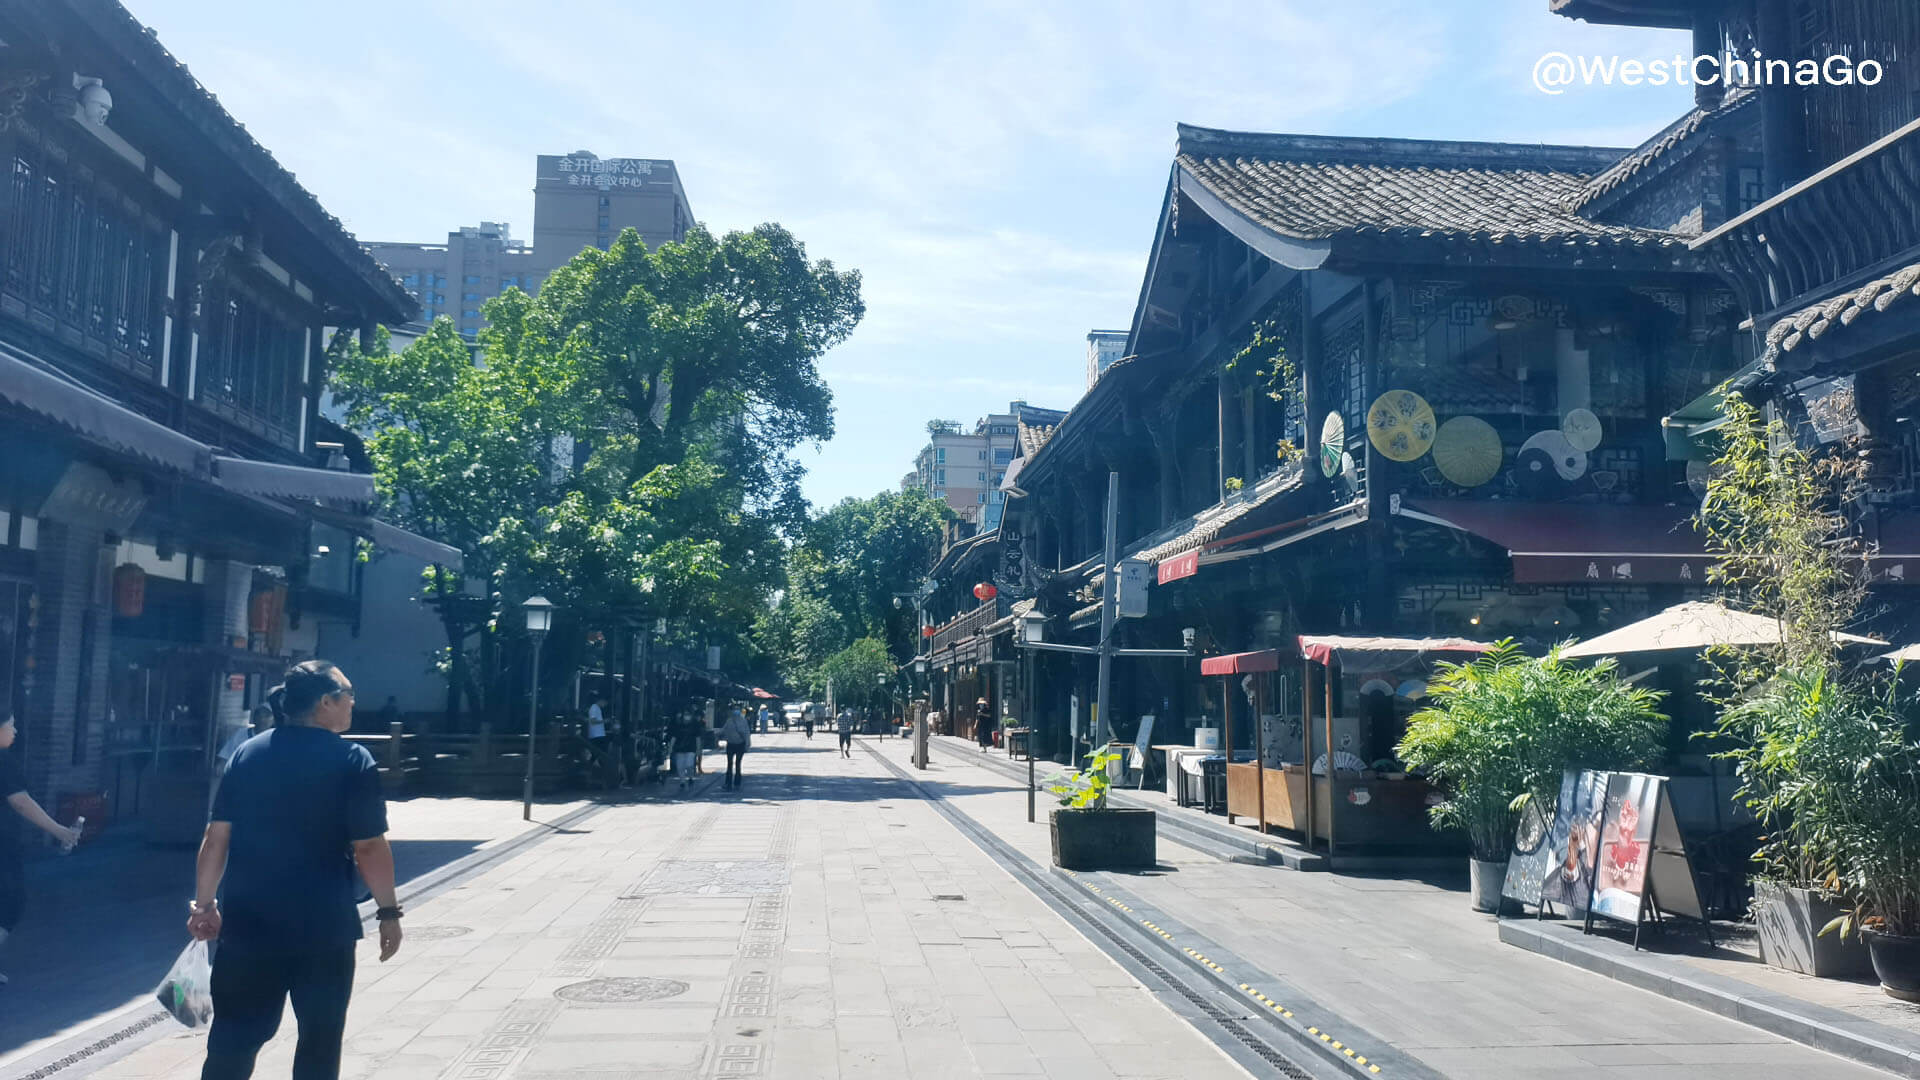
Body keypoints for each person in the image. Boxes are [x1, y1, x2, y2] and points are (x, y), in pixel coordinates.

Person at [188, 661, 400, 1080]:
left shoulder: (248, 754)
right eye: (349, 694)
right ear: (326, 702)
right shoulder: (352, 760)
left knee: (234, 1036)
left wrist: (205, 905)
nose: (353, 702)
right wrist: (389, 910)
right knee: (319, 1041)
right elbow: (370, 848)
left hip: (249, 925)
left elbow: (216, 838)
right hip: (323, 927)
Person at [0, 714, 82, 984]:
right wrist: (59, 830)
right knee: (10, 900)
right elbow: (21, 802)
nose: (15, 730)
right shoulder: (4, 761)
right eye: (11, 724)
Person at [670, 711, 703, 791]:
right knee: (680, 766)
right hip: (679, 749)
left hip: (691, 748)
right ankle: (682, 781)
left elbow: (697, 738)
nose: (686, 716)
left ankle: (690, 777)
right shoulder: (678, 725)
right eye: (685, 714)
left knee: (689, 764)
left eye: (688, 714)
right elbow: (674, 737)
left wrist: (698, 749)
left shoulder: (695, 725)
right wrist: (671, 747)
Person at [719, 708, 750, 789]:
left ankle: (728, 783)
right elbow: (747, 733)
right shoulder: (743, 721)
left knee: (730, 764)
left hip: (732, 745)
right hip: (739, 745)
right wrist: (747, 744)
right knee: (737, 764)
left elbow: (723, 731)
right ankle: (737, 783)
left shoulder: (730, 720)